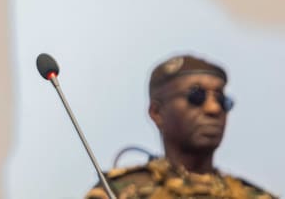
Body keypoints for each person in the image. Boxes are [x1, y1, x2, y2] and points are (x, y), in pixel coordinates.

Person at [86, 54, 277, 198]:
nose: (213, 108)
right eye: (196, 96)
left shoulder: (251, 195)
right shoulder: (120, 192)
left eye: (221, 98)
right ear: (157, 112)